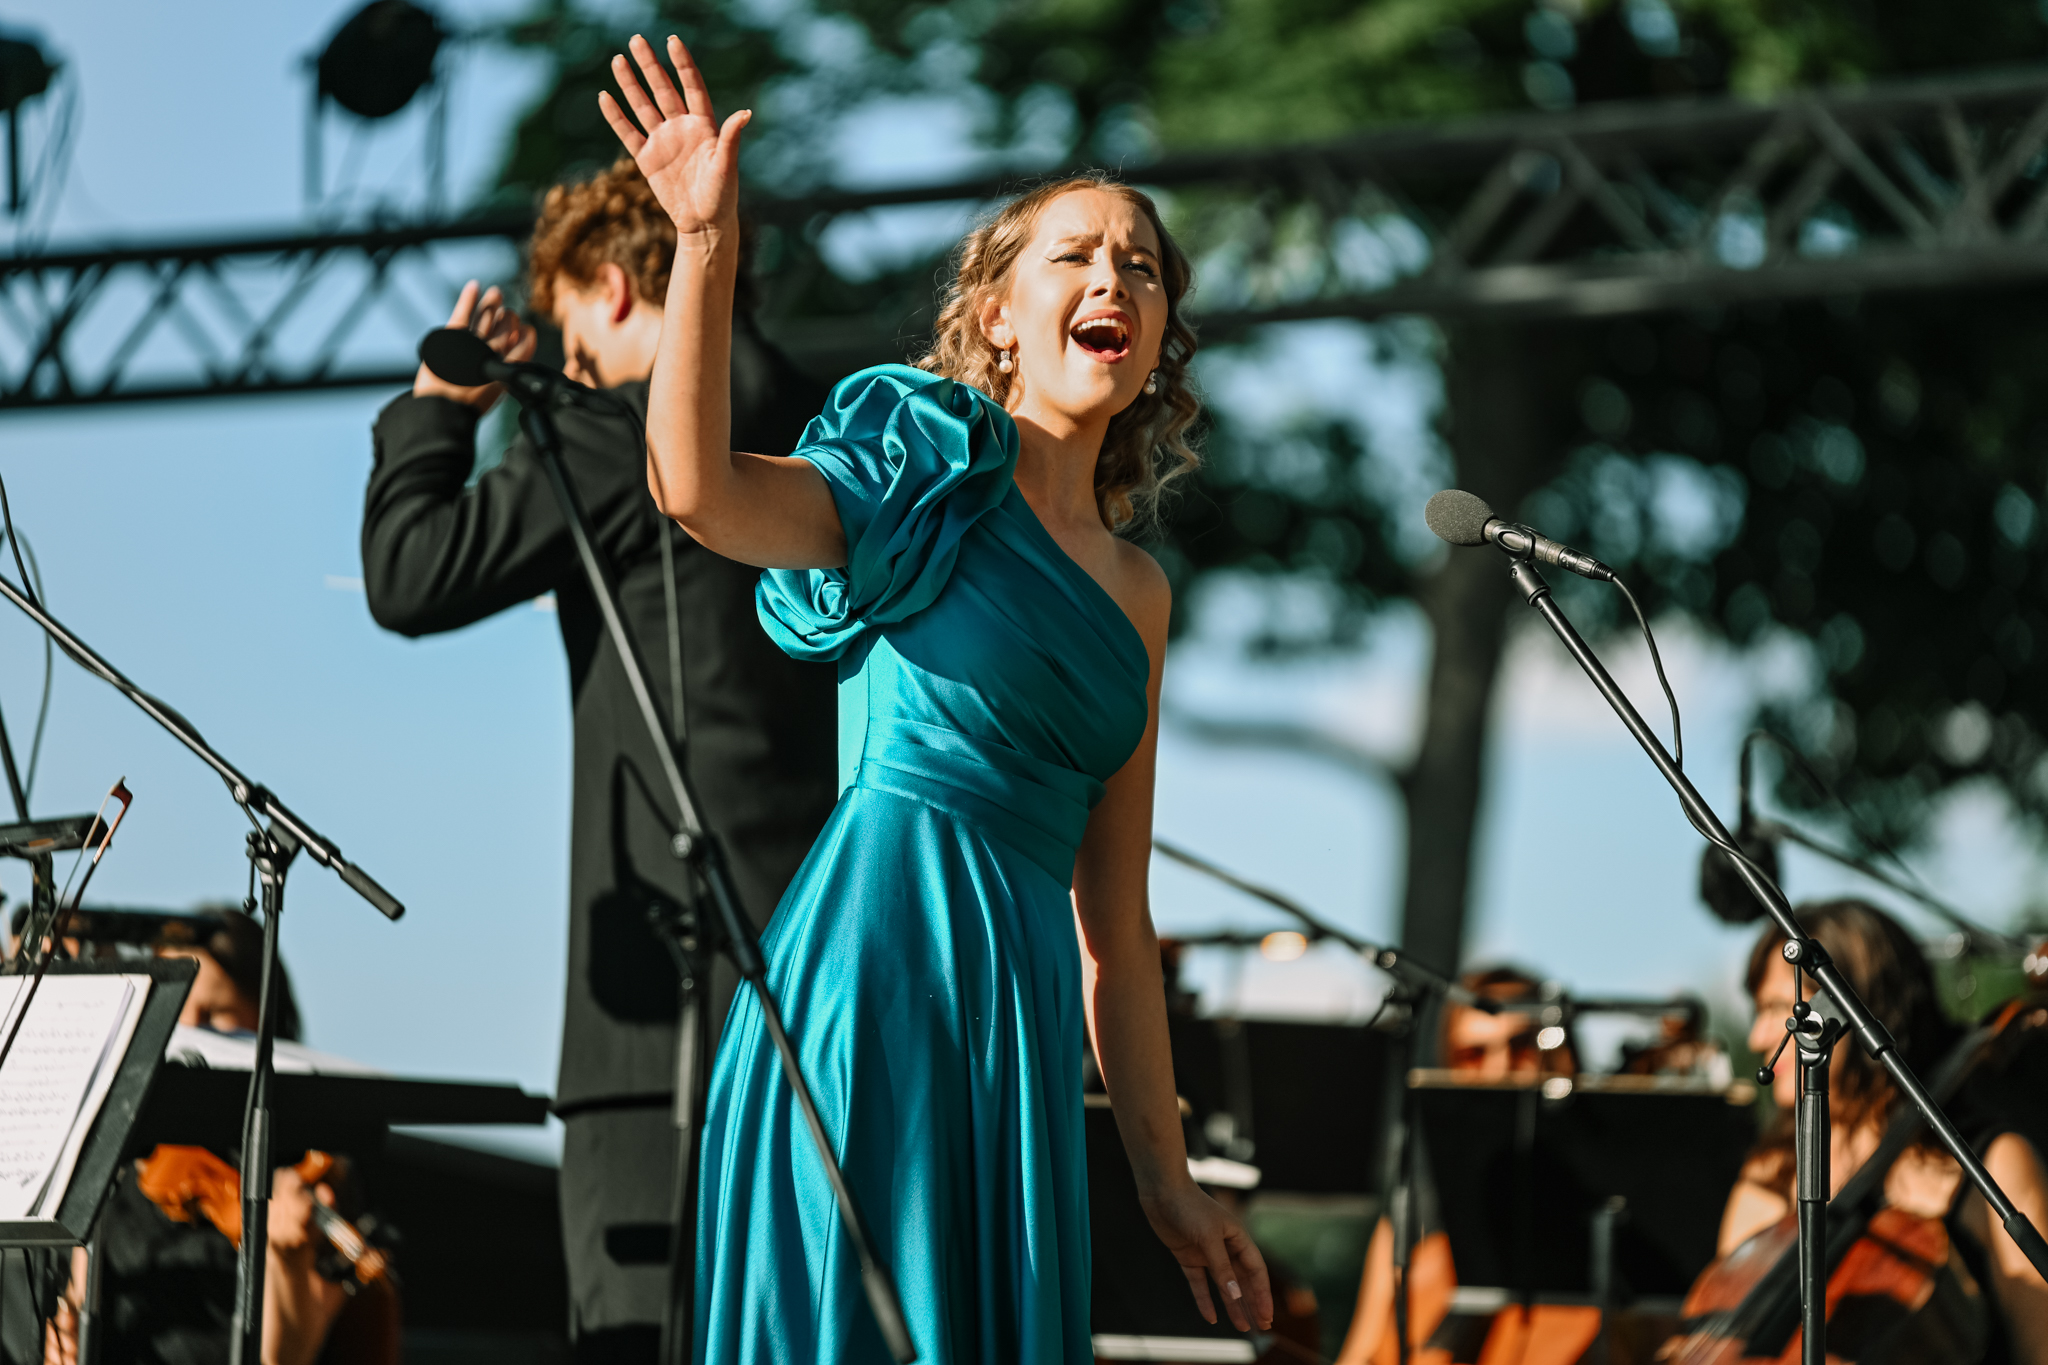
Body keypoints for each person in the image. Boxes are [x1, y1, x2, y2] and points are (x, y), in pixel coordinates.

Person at [596, 33, 1273, 1361]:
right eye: (1074, 256)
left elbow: (1114, 930)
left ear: (1155, 346)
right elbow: (697, 491)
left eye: (1140, 265)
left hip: (1017, 1025)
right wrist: (703, 245)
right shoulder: (920, 471)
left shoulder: (1139, 593)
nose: (1112, 278)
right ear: (999, 318)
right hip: (874, 974)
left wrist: (1166, 1181)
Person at [359, 159, 839, 1360]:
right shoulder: (825, 425)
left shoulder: (626, 428)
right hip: (820, 986)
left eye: (573, 341)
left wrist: (438, 411)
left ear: (615, 291)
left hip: (658, 1023)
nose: (569, 373)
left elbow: (409, 573)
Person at [39, 910, 396, 1365]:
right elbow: (77, 1299)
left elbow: (286, 1359)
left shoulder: (312, 1164)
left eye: (215, 1015)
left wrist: (285, 1259)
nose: (188, 1035)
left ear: (265, 1020)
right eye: (175, 1011)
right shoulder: (121, 1155)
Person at [1707, 898, 2048, 1363]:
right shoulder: (1768, 1176)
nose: (1758, 1038)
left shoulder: (1993, 1164)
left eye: (1777, 1010)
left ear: (1853, 1011)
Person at [1333, 966, 1575, 1365]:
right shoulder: (1415, 1205)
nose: (1498, 1070)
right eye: (1474, 1054)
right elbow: (1362, 1350)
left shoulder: (1610, 1209)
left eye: (1521, 1046)